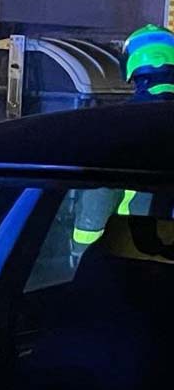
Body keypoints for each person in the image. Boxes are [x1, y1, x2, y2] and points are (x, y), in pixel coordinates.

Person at [71, 24, 174, 261]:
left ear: (131, 67)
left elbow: (98, 197)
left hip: (136, 248)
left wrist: (81, 253)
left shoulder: (119, 123)